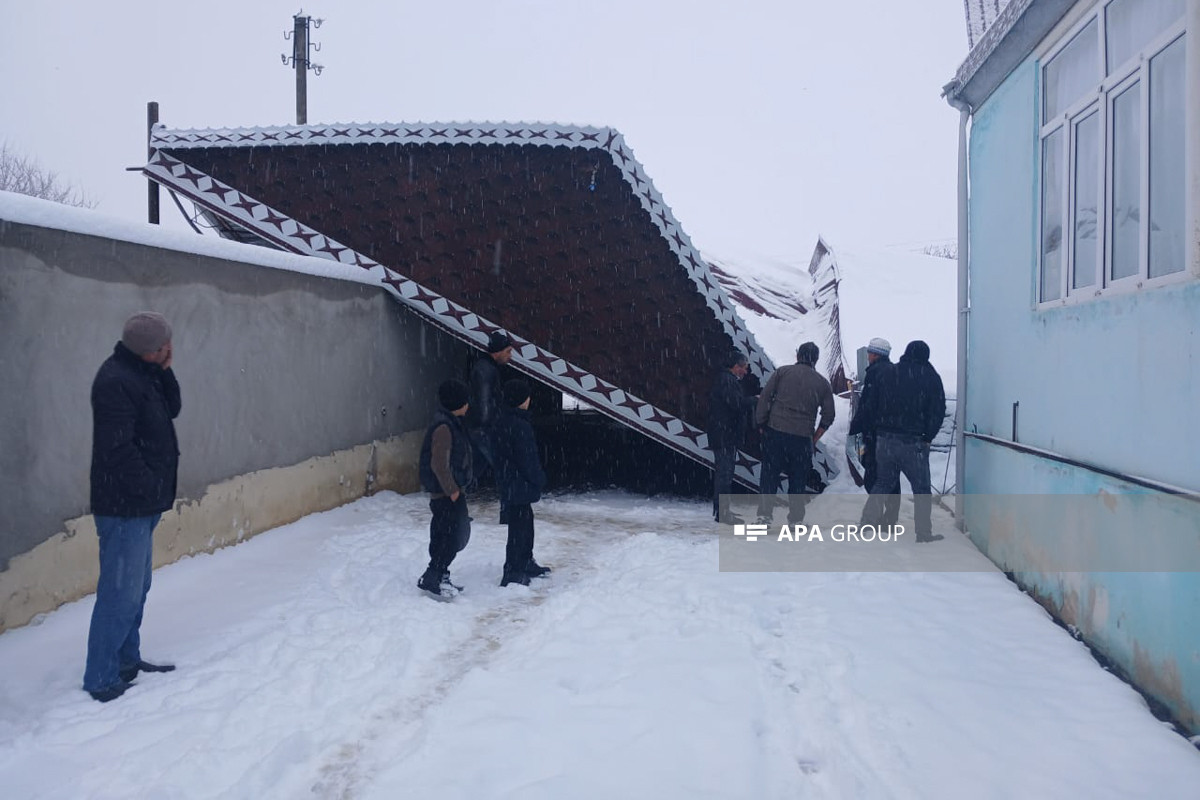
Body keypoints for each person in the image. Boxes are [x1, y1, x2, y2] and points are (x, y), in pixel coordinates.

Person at [83, 311, 180, 703]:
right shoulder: (115, 382)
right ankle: (102, 678)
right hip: (124, 507)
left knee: (137, 589)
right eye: (164, 347)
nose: (170, 350)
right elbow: (117, 449)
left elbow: (172, 408)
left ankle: (126, 661)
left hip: (141, 504)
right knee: (119, 594)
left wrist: (166, 370)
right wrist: (149, 485)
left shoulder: (143, 372)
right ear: (148, 349)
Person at [861, 340, 947, 542]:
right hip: (913, 442)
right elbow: (938, 411)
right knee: (922, 489)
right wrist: (928, 437)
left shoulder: (890, 372)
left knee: (882, 483)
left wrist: (876, 430)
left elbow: (873, 402)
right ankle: (923, 533)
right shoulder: (931, 377)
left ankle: (866, 524)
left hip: (884, 440)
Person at [755, 342, 835, 524]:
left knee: (769, 476)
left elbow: (765, 398)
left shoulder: (782, 373)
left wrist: (762, 423)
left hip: (775, 432)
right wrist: (814, 438)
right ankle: (795, 521)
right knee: (798, 480)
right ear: (816, 359)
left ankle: (764, 516)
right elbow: (829, 415)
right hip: (802, 438)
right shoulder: (822, 383)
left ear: (798, 355)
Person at [417, 379, 475, 599]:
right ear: (457, 403)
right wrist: (452, 490)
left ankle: (440, 574)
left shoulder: (451, 423)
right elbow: (439, 463)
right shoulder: (444, 427)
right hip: (446, 494)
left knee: (447, 534)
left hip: (449, 492)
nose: (468, 404)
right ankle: (433, 576)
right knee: (449, 536)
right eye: (465, 401)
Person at [492, 379, 550, 587]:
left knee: (525, 523)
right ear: (522, 400)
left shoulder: (504, 420)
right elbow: (527, 458)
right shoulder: (519, 425)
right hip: (519, 482)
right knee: (519, 528)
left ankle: (525, 561)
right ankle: (513, 570)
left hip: (511, 481)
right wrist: (538, 478)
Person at [849, 337, 900, 526]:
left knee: (873, 476)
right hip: (895, 435)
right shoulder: (896, 372)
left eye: (870, 352)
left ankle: (872, 519)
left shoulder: (875, 373)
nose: (868, 355)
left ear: (875, 354)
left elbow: (868, 405)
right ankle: (891, 517)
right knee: (892, 478)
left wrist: (855, 428)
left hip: (876, 434)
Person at [707, 350, 758, 523]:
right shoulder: (727, 381)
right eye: (744, 368)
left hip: (723, 434)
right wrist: (755, 400)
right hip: (725, 436)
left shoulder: (724, 379)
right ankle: (723, 513)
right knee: (725, 475)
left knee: (724, 475)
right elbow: (737, 404)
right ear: (736, 367)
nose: (745, 372)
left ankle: (722, 511)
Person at [467, 330, 514, 486]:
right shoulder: (486, 370)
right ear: (498, 352)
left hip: (481, 426)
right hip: (483, 427)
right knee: (502, 464)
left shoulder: (486, 368)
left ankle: (458, 493)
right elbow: (484, 401)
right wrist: (488, 424)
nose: (510, 356)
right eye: (508, 352)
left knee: (476, 466)